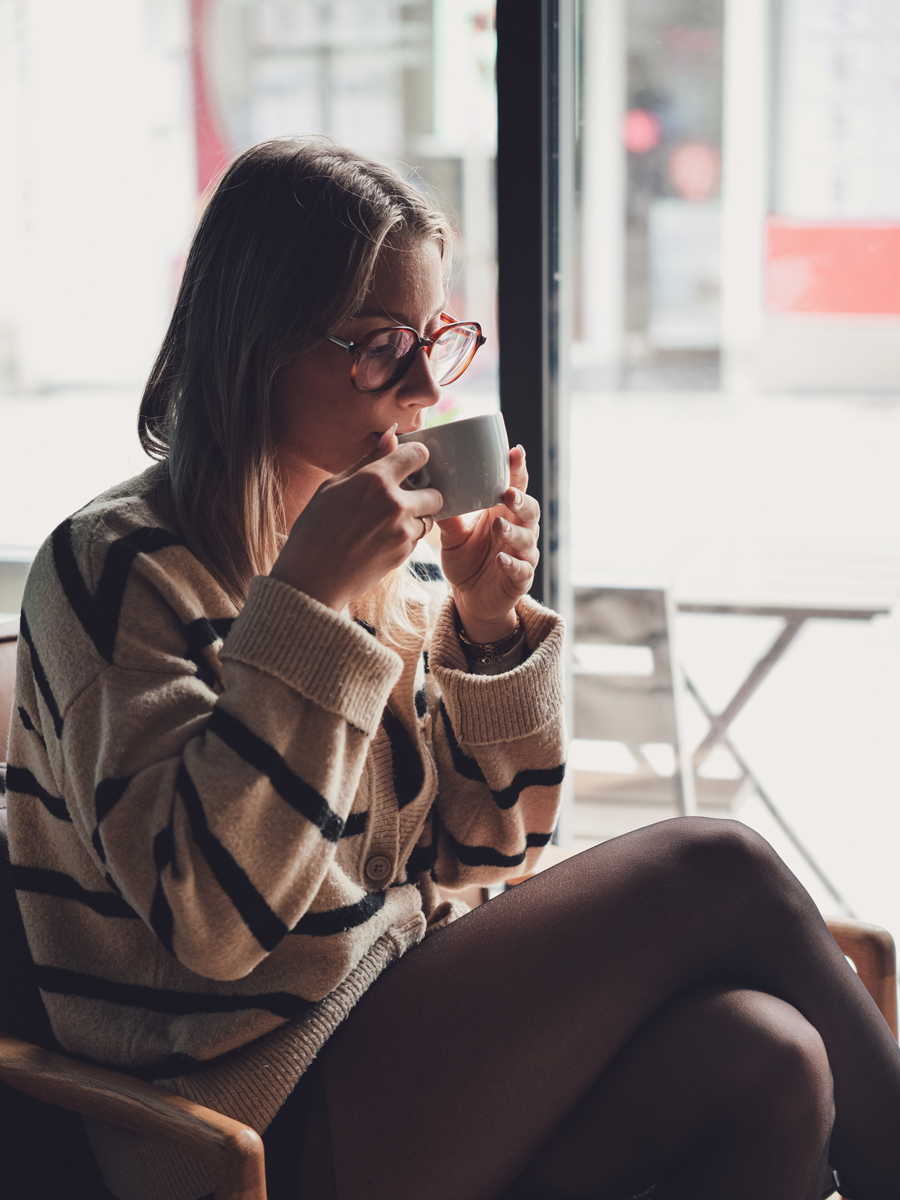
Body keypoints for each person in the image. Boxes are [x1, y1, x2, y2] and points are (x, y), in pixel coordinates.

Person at [5, 137, 900, 1200]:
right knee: (717, 865)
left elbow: (492, 856)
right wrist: (308, 607)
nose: (427, 387)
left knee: (772, 1061)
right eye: (384, 346)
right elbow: (212, 925)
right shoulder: (115, 568)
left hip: (413, 1049)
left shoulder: (392, 559)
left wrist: (486, 626)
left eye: (437, 339)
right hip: (245, 1113)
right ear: (257, 341)